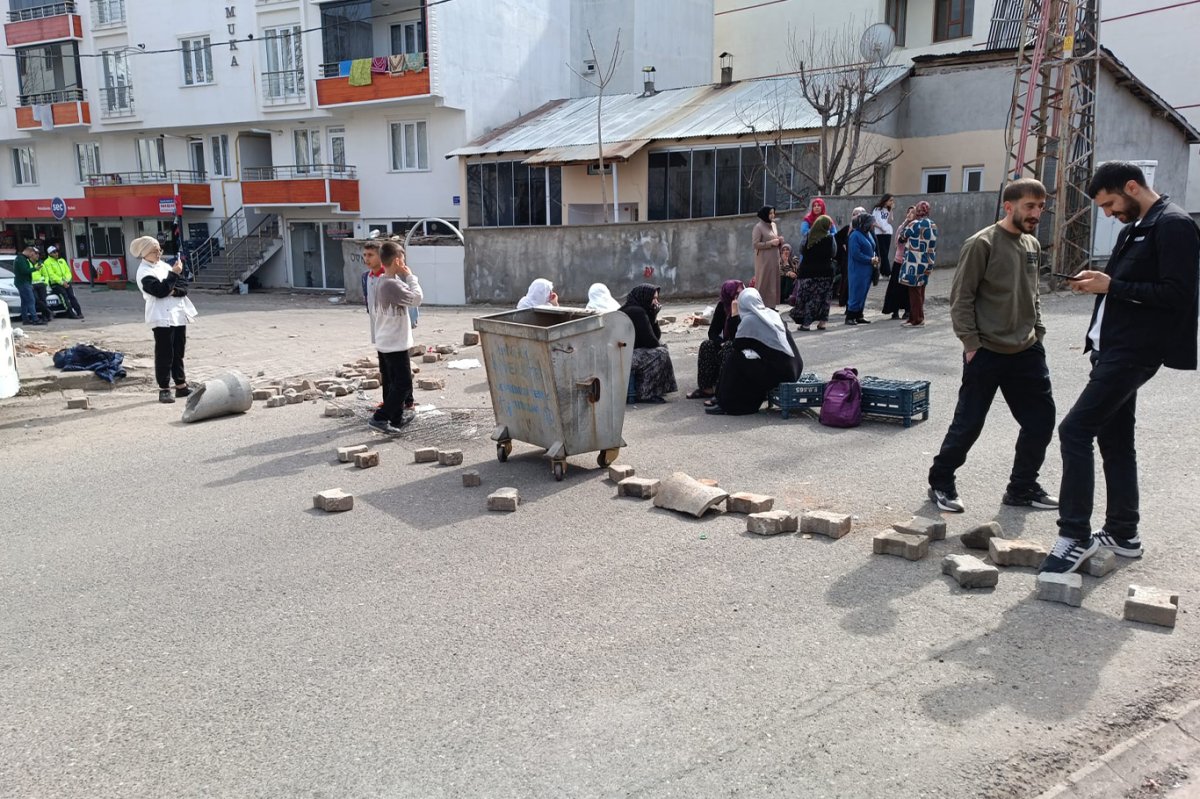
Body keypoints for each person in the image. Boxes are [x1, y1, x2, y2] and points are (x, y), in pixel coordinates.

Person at [1039, 162, 1200, 574]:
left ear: (1132, 186)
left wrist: (1113, 286)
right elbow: (1125, 284)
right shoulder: (1137, 227)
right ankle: (1123, 533)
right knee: (1115, 439)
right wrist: (1099, 279)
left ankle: (1074, 536)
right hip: (1111, 348)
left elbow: (1178, 294)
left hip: (1134, 352)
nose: (1108, 214)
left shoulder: (1174, 225)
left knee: (1074, 430)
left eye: (1110, 203)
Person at [926, 178, 1056, 514]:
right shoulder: (981, 244)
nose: (1037, 213)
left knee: (1041, 420)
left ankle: (1022, 487)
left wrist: (1037, 330)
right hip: (986, 350)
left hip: (1026, 349)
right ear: (1009, 206)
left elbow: (1033, 292)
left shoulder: (1031, 244)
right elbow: (961, 298)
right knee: (969, 423)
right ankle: (941, 481)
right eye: (1030, 206)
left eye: (1041, 207)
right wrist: (971, 344)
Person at [708, 287, 803, 415]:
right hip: (795, 368)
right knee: (748, 360)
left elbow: (736, 344)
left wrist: (734, 315)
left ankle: (728, 403)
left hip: (781, 373)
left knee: (735, 358)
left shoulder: (749, 320)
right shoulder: (772, 314)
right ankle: (729, 399)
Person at [132, 235, 197, 404]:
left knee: (178, 351)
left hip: (177, 313)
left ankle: (181, 385)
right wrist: (172, 278)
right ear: (145, 253)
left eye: (159, 250)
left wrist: (172, 288)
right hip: (160, 316)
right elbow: (159, 291)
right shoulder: (144, 272)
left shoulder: (164, 266)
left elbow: (182, 286)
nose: (158, 253)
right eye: (154, 251)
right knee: (164, 353)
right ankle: (164, 388)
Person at [367, 240, 423, 435]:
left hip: (386, 341)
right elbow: (417, 299)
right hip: (394, 344)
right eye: (403, 260)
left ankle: (396, 418)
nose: (405, 263)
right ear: (398, 260)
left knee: (393, 383)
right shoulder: (392, 284)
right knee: (403, 383)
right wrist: (410, 276)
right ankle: (380, 418)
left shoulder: (382, 281)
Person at [620, 284, 677, 403]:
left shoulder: (633, 308)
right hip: (623, 357)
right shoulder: (637, 312)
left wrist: (653, 317)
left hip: (626, 353)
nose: (656, 302)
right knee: (661, 352)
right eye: (653, 299)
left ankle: (658, 388)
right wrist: (652, 316)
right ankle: (646, 393)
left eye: (657, 298)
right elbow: (652, 342)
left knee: (662, 347)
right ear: (644, 297)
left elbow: (653, 338)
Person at [686, 279, 743, 400]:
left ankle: (723, 392)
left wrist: (735, 314)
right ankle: (706, 389)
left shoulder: (747, 306)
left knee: (729, 347)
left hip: (743, 345)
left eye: (741, 292)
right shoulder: (722, 306)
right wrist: (720, 343)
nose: (739, 296)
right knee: (707, 345)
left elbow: (738, 334)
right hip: (727, 343)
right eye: (736, 293)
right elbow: (712, 332)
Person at [790, 214, 836, 331]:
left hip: (808, 273)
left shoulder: (807, 236)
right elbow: (833, 253)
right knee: (824, 298)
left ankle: (806, 324)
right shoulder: (830, 238)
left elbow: (801, 250)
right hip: (825, 273)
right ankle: (822, 323)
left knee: (809, 298)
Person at [898, 201, 939, 327]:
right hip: (927, 262)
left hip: (914, 262)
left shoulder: (915, 224)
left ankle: (917, 319)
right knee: (921, 290)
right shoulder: (933, 225)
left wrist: (908, 221)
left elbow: (902, 237)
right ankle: (915, 317)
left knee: (914, 291)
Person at [845, 212, 879, 325]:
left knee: (863, 292)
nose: (873, 225)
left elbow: (873, 247)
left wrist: (874, 258)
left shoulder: (867, 234)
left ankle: (859, 315)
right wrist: (870, 259)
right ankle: (850, 316)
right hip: (858, 269)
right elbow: (856, 254)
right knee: (856, 291)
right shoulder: (855, 235)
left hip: (867, 269)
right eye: (871, 223)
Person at [881, 206, 914, 320]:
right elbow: (896, 243)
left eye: (912, 213)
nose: (910, 214)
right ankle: (894, 311)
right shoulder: (902, 227)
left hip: (910, 262)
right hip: (899, 261)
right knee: (895, 287)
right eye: (908, 212)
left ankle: (908, 310)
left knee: (907, 288)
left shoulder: (916, 227)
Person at [752, 206, 783, 309]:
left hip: (774, 258)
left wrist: (779, 240)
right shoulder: (758, 227)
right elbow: (755, 244)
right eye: (770, 213)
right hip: (764, 260)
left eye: (773, 213)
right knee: (764, 281)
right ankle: (760, 305)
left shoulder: (773, 225)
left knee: (773, 281)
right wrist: (770, 243)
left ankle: (771, 306)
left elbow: (774, 238)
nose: (772, 215)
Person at [43, 245, 83, 320]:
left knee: (72, 296)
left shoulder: (62, 260)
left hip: (66, 282)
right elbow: (51, 275)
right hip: (56, 284)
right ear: (49, 254)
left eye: (56, 252)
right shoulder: (47, 262)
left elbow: (68, 272)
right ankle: (71, 313)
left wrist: (66, 281)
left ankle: (79, 312)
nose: (56, 253)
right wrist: (62, 282)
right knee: (64, 297)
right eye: (53, 252)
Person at [833, 207, 861, 308]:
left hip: (857, 259)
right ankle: (843, 301)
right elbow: (837, 237)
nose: (856, 216)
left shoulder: (863, 229)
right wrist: (843, 245)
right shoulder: (847, 228)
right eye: (854, 214)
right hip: (847, 258)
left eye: (858, 214)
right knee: (846, 280)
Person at [13, 245, 43, 326]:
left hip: (22, 282)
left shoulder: (22, 258)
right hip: (23, 283)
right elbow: (24, 271)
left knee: (25, 302)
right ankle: (35, 319)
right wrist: (35, 269)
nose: (33, 255)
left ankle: (25, 319)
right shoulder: (21, 259)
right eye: (32, 254)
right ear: (29, 252)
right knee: (31, 300)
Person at [871, 194, 895, 287]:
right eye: (890, 200)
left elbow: (890, 220)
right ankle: (888, 273)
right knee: (881, 253)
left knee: (885, 253)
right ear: (885, 200)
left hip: (887, 232)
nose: (891, 202)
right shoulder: (877, 209)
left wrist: (891, 209)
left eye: (892, 201)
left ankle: (882, 272)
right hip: (879, 233)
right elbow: (873, 221)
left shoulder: (888, 210)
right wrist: (880, 227)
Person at [29, 248, 53, 324]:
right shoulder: (27, 263)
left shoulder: (41, 264)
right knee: (36, 299)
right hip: (32, 284)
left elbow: (46, 276)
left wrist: (45, 283)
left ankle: (45, 316)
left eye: (38, 254)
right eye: (36, 254)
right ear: (31, 254)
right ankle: (48, 312)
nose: (37, 255)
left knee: (43, 300)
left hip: (41, 284)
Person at [779, 242, 799, 307]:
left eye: (787, 249)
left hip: (793, 281)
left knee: (790, 278)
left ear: (790, 250)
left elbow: (796, 271)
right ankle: (782, 297)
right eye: (783, 250)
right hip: (782, 281)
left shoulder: (795, 259)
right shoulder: (779, 260)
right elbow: (779, 272)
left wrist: (787, 263)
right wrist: (788, 273)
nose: (785, 251)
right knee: (783, 277)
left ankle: (788, 297)